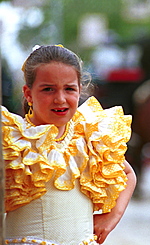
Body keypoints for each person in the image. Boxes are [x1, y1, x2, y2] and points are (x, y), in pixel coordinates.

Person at [3, 45, 136, 245]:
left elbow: (128, 174)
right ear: (28, 94)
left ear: (80, 90)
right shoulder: (13, 141)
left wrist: (112, 217)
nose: (60, 99)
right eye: (48, 89)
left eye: (69, 89)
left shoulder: (90, 137)